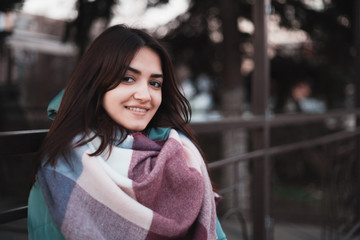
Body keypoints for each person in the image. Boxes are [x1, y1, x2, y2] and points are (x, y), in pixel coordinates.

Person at [27, 24, 227, 240]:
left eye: (155, 83)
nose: (145, 95)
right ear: (96, 82)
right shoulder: (63, 167)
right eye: (128, 78)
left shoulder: (183, 155)